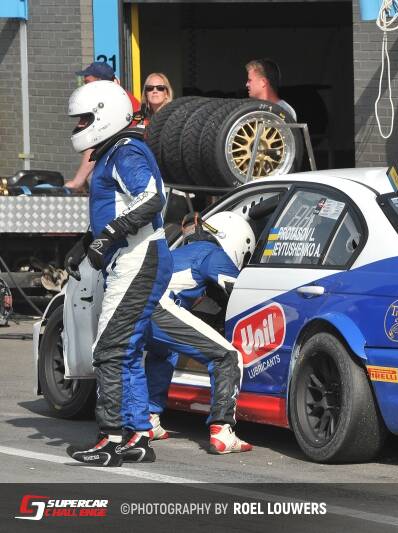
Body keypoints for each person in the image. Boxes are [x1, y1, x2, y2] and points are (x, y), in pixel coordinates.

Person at [63, 80, 172, 467]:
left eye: (83, 120)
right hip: (134, 257)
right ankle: (138, 435)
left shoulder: (126, 150)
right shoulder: (113, 151)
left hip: (138, 258)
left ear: (103, 115)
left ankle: (109, 440)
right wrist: (85, 244)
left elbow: (152, 196)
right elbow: (117, 206)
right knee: (126, 352)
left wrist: (109, 235)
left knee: (108, 350)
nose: (78, 127)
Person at [144, 211, 255, 454]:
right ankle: (223, 431)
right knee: (228, 357)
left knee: (163, 352)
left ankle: (149, 419)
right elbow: (241, 295)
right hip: (159, 308)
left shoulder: (180, 252)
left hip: (136, 309)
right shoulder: (213, 253)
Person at [65, 62, 141, 192]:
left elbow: (96, 142)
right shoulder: (113, 98)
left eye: (87, 82)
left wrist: (78, 181)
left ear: (100, 83)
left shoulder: (116, 103)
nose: (84, 87)